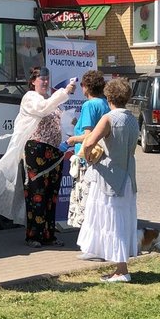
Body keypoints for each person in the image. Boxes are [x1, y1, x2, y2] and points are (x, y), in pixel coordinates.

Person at [0, 67, 77, 247]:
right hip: (36, 152)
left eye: (47, 79)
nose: (45, 82)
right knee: (36, 194)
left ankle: (49, 234)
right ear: (33, 81)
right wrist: (64, 92)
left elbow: (57, 116)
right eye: (41, 79)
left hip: (54, 152)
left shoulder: (50, 99)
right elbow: (42, 109)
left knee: (50, 195)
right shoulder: (30, 98)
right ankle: (34, 235)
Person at [77, 78, 140, 282]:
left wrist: (87, 155)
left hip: (109, 176)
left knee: (112, 221)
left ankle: (122, 270)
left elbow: (89, 141)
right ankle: (120, 267)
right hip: (128, 175)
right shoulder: (132, 118)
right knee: (122, 220)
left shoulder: (108, 118)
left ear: (109, 96)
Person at [65, 70, 110, 234]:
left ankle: (88, 238)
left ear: (86, 87)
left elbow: (88, 135)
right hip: (102, 158)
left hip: (87, 159)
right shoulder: (105, 103)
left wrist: (71, 140)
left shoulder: (89, 105)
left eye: (82, 85)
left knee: (85, 202)